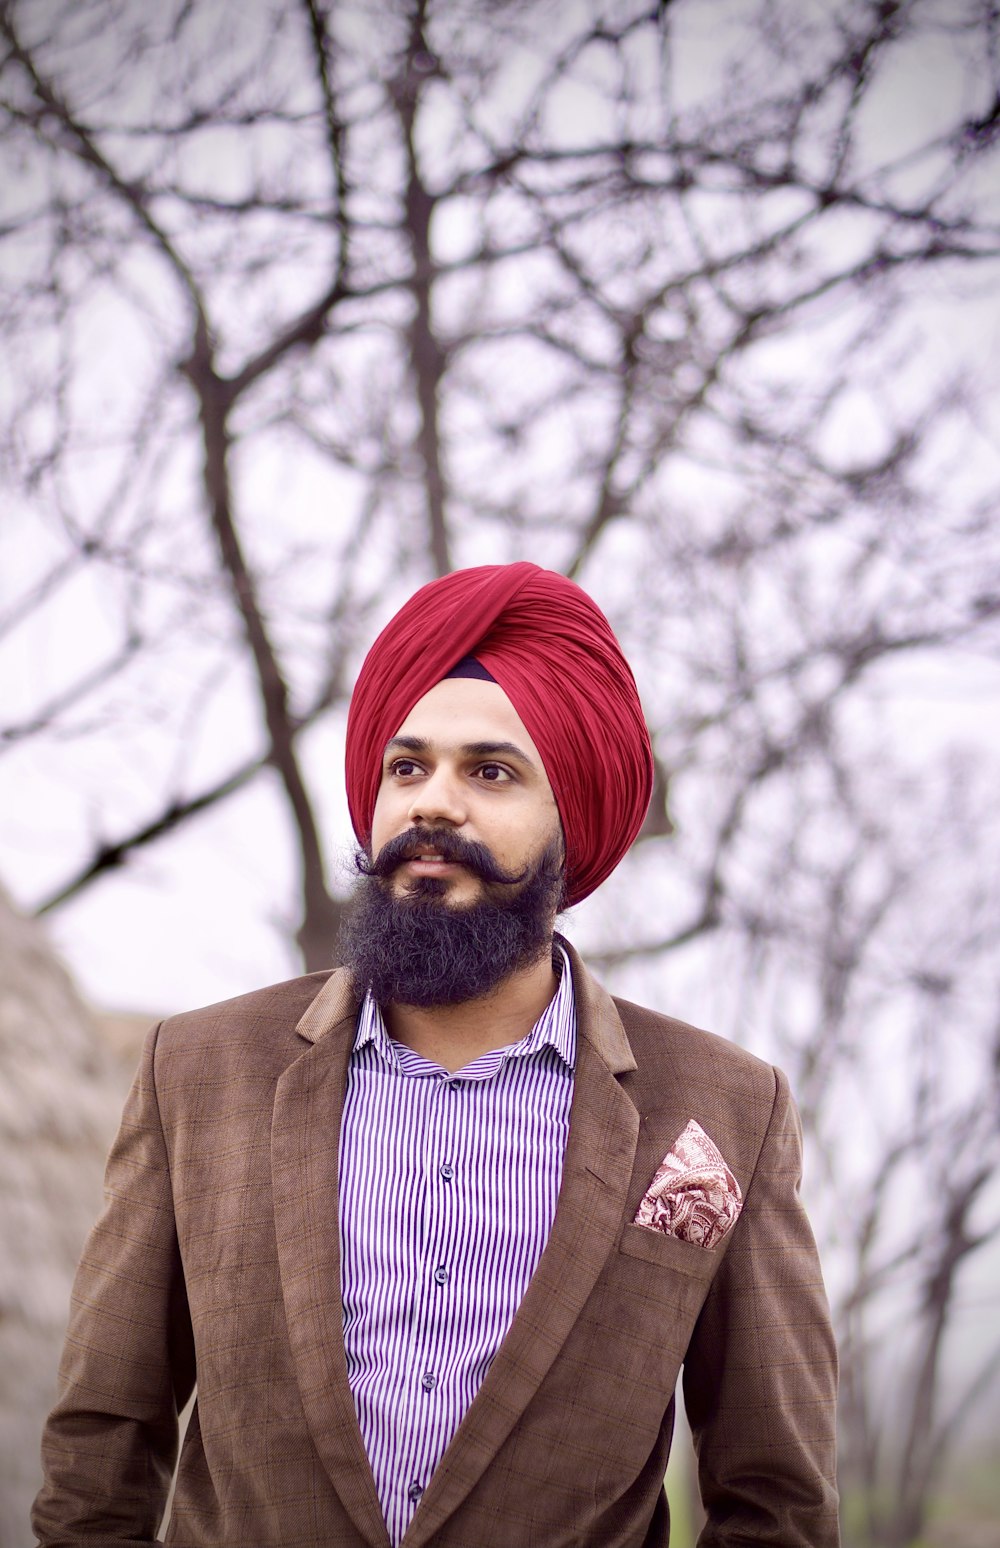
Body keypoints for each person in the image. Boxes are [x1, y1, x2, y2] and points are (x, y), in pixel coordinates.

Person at [33, 562, 840, 1547]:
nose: (432, 805)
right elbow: (100, 1454)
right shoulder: (200, 1072)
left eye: (490, 773)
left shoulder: (721, 1110)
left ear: (570, 816)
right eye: (406, 769)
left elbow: (778, 1500)